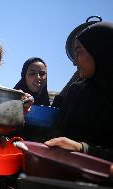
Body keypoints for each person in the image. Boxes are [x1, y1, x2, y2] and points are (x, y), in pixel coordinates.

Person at [45, 22, 113, 162]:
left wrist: (83, 149)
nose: (74, 62)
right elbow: (56, 133)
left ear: (101, 51)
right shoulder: (76, 91)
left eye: (79, 51)